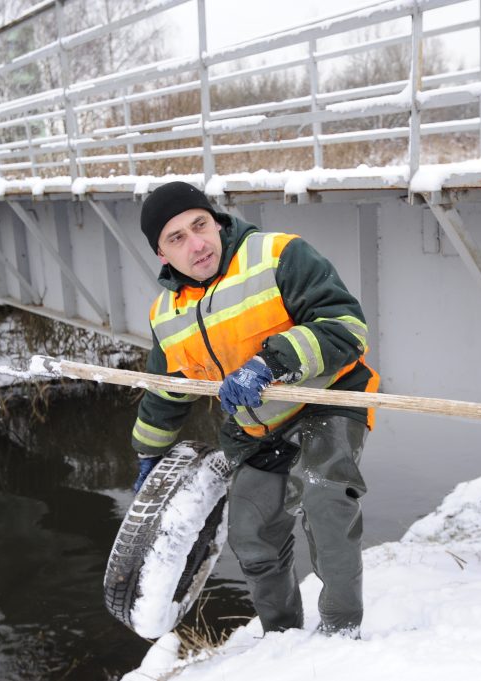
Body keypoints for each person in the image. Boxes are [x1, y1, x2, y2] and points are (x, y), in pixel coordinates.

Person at [129, 181, 380, 637]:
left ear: (216, 220)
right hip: (256, 428)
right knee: (251, 535)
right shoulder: (166, 314)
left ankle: (341, 631)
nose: (197, 243)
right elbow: (167, 391)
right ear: (162, 255)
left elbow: (346, 327)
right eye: (177, 238)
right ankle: (281, 637)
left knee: (326, 501)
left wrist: (270, 363)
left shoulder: (278, 253)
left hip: (325, 401)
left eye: (199, 224)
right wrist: (147, 453)